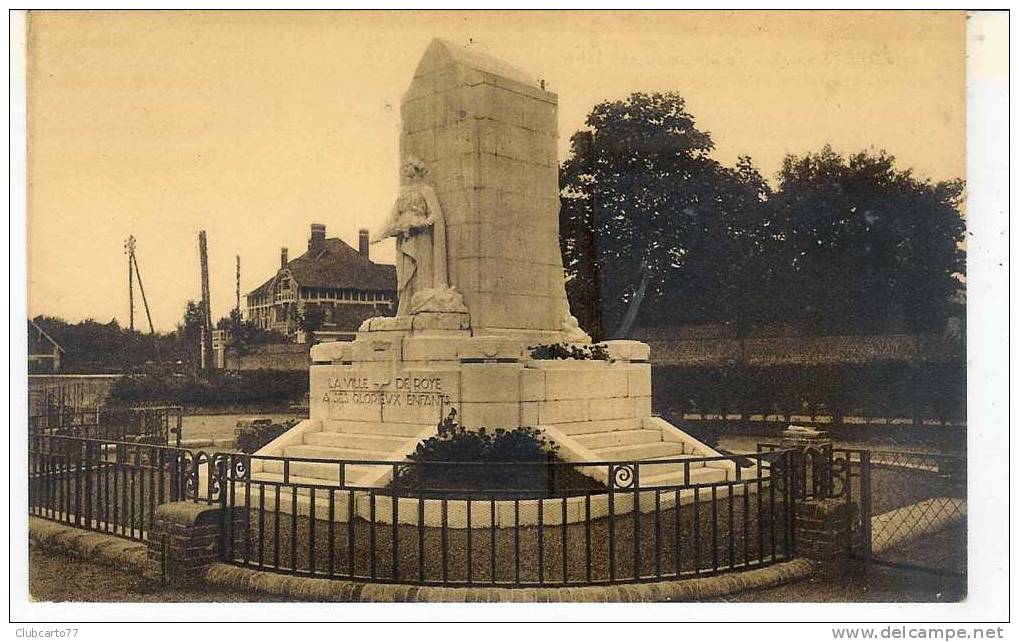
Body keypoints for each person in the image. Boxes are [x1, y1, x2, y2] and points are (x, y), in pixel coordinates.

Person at [372, 156, 449, 315]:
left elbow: (435, 215)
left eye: (408, 166)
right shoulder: (403, 193)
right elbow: (392, 216)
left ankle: (422, 306)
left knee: (422, 269)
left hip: (421, 237)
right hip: (404, 237)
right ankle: (406, 308)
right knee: (405, 271)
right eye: (404, 166)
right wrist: (381, 234)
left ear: (416, 169)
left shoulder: (426, 190)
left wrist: (419, 224)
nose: (405, 169)